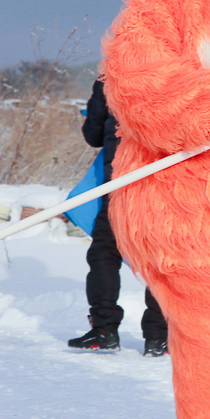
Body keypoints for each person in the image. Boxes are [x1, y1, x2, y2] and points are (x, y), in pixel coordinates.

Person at [67, 77, 169, 356]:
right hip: (162, 183)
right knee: (159, 259)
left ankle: (104, 328)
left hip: (119, 182)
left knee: (104, 253)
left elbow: (93, 136)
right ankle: (159, 337)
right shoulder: (175, 74)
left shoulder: (109, 79)